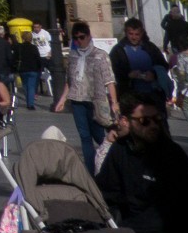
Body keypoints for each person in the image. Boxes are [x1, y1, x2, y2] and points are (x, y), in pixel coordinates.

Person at [95, 102, 188, 233]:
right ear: (128, 121)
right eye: (145, 121)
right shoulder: (120, 149)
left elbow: (175, 209)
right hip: (130, 227)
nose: (153, 125)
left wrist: (125, 230)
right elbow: (107, 191)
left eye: (157, 119)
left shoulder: (171, 154)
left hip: (167, 231)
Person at [55, 20, 115, 172]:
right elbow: (70, 80)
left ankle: (109, 162)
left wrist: (114, 102)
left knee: (99, 135)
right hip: (77, 100)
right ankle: (90, 169)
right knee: (84, 137)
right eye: (76, 38)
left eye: (82, 37)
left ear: (89, 36)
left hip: (95, 101)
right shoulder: (73, 56)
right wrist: (62, 99)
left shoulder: (100, 55)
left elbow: (109, 80)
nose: (79, 41)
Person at [111, 18, 171, 111]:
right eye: (131, 34)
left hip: (153, 94)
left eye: (137, 34)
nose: (134, 37)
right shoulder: (118, 50)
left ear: (142, 33)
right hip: (129, 95)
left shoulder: (150, 47)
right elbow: (112, 71)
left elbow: (164, 65)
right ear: (126, 33)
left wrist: (154, 74)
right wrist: (128, 75)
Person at [13, 28, 47, 110]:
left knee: (25, 86)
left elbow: (15, 58)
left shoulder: (19, 47)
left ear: (23, 38)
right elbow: (38, 58)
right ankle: (30, 104)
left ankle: (28, 101)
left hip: (23, 69)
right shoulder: (34, 47)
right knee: (31, 86)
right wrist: (40, 67)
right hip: (33, 69)